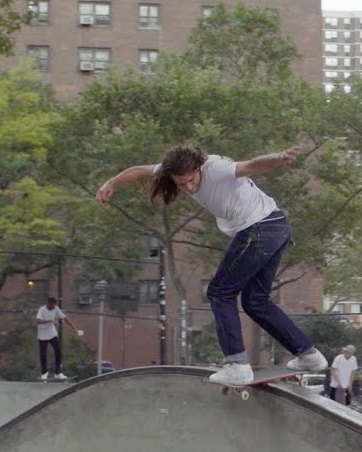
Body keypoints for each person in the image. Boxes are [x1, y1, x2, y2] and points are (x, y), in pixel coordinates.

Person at [95, 143, 328, 385]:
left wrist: (278, 157)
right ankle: (308, 355)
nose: (188, 187)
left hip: (258, 230)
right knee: (255, 301)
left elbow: (251, 165)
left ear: (199, 168)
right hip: (276, 227)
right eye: (181, 184)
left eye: (191, 180)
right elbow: (139, 170)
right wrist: (111, 183)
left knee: (219, 292)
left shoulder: (216, 168)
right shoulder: (173, 170)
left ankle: (237, 365)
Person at [35, 297, 81, 380]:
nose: (53, 307)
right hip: (42, 335)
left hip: (52, 333)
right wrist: (49, 320)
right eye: (52, 305)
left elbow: (65, 318)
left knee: (58, 352)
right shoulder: (41, 309)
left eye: (54, 305)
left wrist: (74, 328)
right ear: (48, 303)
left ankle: (58, 372)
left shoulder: (56, 309)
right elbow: (37, 321)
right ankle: (44, 373)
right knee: (43, 355)